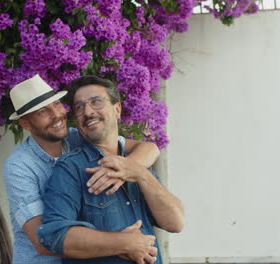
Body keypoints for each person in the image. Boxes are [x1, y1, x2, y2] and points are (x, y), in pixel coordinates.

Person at [3, 74, 161, 264]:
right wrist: (122, 244)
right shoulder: (19, 166)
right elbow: (42, 240)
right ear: (26, 124)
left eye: (57, 104)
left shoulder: (76, 137)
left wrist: (126, 170)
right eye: (42, 112)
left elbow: (148, 148)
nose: (56, 115)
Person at [37, 75, 185, 264]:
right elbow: (56, 236)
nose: (88, 112)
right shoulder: (69, 168)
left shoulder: (136, 164)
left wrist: (139, 173)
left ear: (117, 109)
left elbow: (175, 222)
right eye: (79, 107)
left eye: (96, 102)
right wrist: (123, 243)